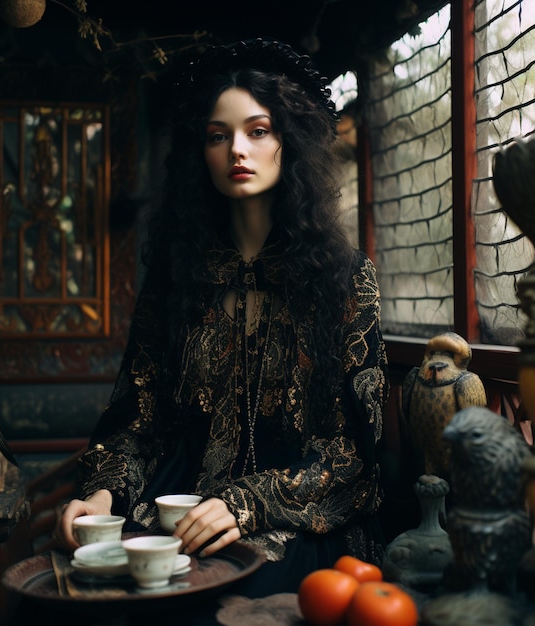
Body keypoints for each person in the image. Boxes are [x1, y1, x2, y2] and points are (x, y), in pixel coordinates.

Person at [54, 37, 388, 602]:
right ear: (198, 152)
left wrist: (247, 503)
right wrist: (104, 496)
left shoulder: (346, 279)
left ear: (290, 140)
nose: (237, 148)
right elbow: (139, 420)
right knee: (86, 592)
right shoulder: (178, 275)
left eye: (258, 130)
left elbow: (354, 456)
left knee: (212, 599)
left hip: (295, 516)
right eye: (218, 135)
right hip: (175, 503)